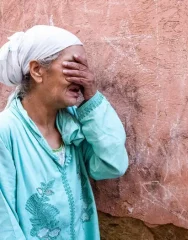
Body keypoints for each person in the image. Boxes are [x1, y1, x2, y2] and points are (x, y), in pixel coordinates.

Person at [0, 25, 129, 239]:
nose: (83, 77)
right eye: (74, 66)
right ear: (37, 70)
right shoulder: (6, 132)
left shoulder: (73, 126)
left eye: (85, 69)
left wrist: (92, 99)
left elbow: (112, 164)